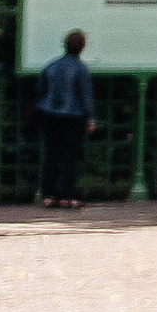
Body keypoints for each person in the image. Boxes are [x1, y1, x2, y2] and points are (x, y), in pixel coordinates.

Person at [35, 29, 95, 207]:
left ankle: (48, 195)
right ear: (82, 47)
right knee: (70, 156)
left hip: (50, 114)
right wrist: (90, 118)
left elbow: (40, 89)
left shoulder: (51, 65)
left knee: (51, 154)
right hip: (73, 116)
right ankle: (66, 196)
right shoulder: (81, 69)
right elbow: (86, 96)